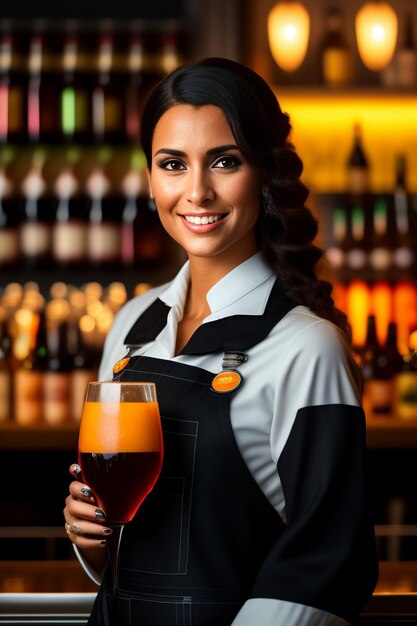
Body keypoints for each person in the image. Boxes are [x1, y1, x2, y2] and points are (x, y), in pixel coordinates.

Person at [64, 56, 378, 625]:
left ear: (266, 172)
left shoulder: (308, 346)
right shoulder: (133, 326)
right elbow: (124, 549)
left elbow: (328, 565)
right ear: (151, 177)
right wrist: (91, 538)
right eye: (172, 164)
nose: (197, 192)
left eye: (225, 162)